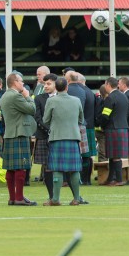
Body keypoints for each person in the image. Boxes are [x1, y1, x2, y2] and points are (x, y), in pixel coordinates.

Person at [43, 77, 86, 206]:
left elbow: (45, 120)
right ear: (67, 87)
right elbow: (81, 119)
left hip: (57, 137)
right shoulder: (76, 100)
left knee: (57, 169)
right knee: (74, 169)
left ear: (56, 87)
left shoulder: (51, 100)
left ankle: (55, 199)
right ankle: (76, 199)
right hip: (73, 137)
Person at [0, 72, 37, 206]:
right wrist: (28, 97)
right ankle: (19, 198)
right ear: (15, 82)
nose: (23, 83)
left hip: (10, 133)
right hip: (19, 133)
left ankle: (12, 198)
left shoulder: (5, 95)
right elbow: (32, 109)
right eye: (21, 81)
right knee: (21, 167)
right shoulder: (16, 96)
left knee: (10, 168)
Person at [98, 77, 129, 186]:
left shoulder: (110, 98)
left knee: (115, 156)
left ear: (108, 85)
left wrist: (101, 125)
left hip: (113, 128)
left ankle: (119, 180)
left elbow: (106, 115)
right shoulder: (123, 96)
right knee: (112, 155)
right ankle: (110, 179)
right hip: (123, 128)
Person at [34, 73, 57, 201]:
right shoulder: (38, 98)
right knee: (48, 166)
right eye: (44, 84)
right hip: (44, 135)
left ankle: (75, 196)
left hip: (60, 136)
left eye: (49, 84)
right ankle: (51, 195)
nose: (46, 86)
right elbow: (37, 118)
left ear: (55, 83)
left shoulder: (62, 97)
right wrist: (49, 130)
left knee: (62, 166)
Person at [78, 73, 97, 185]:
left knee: (85, 155)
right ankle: (87, 179)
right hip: (90, 126)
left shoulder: (82, 92)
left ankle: (85, 180)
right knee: (88, 155)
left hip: (85, 126)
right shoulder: (90, 92)